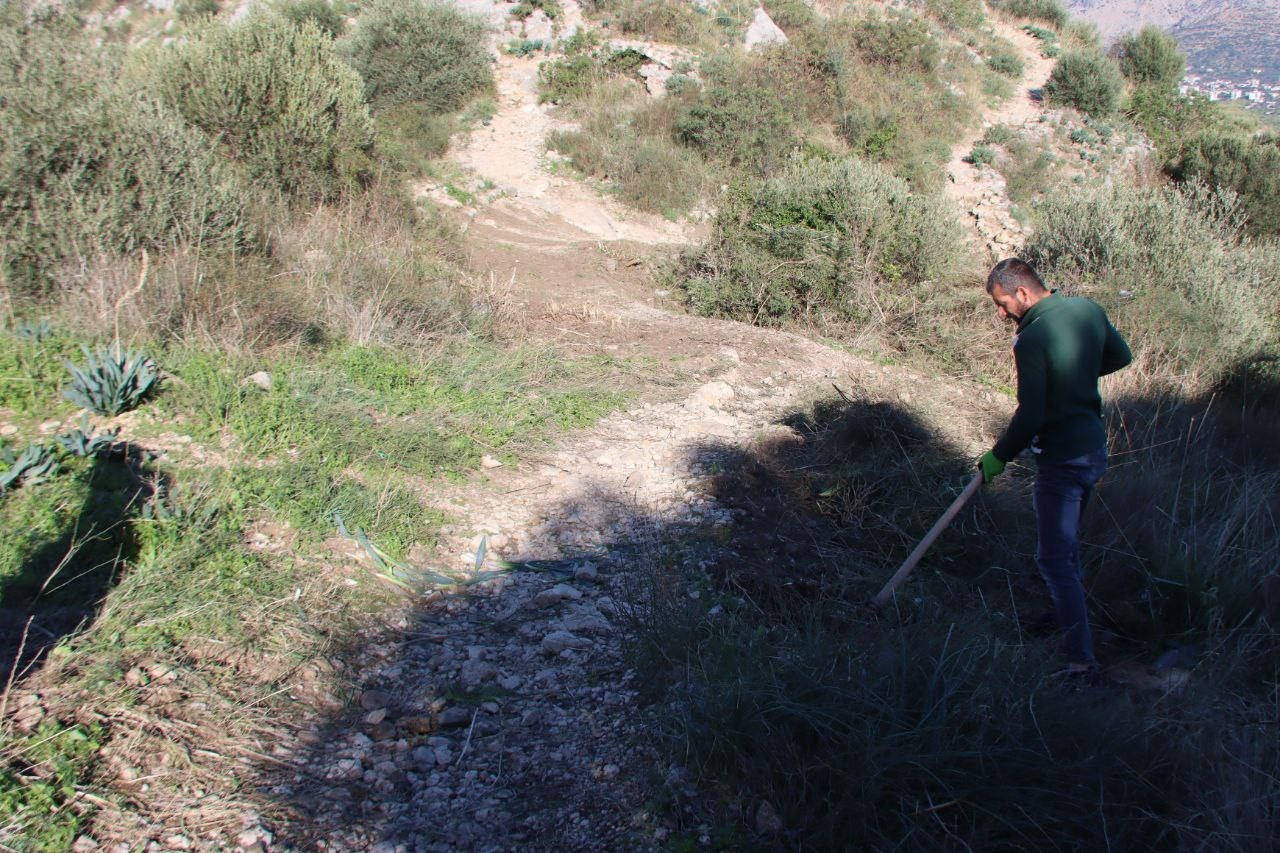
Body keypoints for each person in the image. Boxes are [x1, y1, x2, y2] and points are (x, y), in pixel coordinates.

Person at [977, 258, 1132, 678]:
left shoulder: (1032, 338)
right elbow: (1121, 357)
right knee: (1065, 549)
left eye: (1002, 302)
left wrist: (998, 457)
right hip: (1094, 451)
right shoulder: (1087, 310)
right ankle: (1063, 616)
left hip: (1062, 460)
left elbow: (1030, 415)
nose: (1001, 312)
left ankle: (1080, 661)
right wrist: (1076, 376)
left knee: (1054, 559)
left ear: (1022, 293)